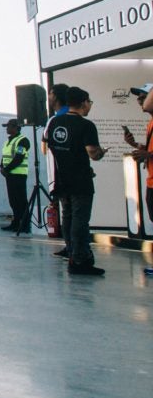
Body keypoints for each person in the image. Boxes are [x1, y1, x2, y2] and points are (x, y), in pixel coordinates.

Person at [47, 87, 108, 276]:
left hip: (62, 179)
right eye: (89, 102)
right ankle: (80, 259)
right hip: (81, 180)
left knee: (68, 217)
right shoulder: (86, 125)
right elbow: (93, 153)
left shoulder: (55, 122)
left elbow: (51, 147)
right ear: (83, 102)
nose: (90, 106)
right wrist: (101, 152)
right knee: (80, 220)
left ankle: (72, 252)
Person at [122, 82, 153, 257]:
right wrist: (135, 144)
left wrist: (147, 155)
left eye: (144, 96)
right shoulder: (150, 124)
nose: (140, 100)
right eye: (139, 97)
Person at [0, 118, 30, 233]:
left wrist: (6, 169)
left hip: (19, 175)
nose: (6, 128)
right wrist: (1, 166)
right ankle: (16, 222)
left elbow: (19, 158)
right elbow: (5, 156)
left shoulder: (23, 141)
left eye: (8, 126)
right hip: (10, 175)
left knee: (21, 200)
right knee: (13, 201)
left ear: (15, 127)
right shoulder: (8, 141)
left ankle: (25, 224)